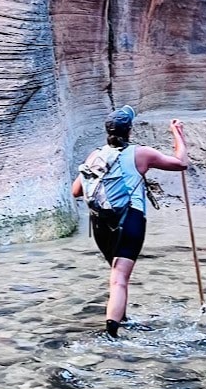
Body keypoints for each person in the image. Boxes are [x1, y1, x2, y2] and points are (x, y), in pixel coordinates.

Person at [71, 107, 189, 338]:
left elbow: (76, 191)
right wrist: (178, 134)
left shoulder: (95, 155)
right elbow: (181, 163)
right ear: (130, 130)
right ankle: (112, 333)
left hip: (100, 223)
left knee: (117, 274)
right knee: (119, 279)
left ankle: (121, 317)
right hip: (130, 219)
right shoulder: (140, 153)